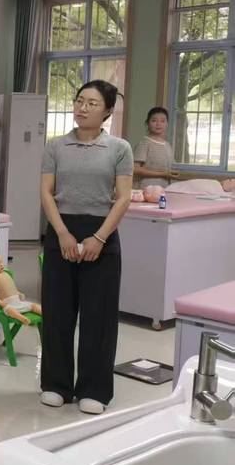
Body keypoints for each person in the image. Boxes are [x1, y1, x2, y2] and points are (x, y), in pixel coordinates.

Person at [39, 79, 133, 416]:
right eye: (79, 101)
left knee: (99, 316)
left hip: (102, 233)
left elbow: (123, 198)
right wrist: (62, 233)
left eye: (92, 103)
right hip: (61, 230)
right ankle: (56, 384)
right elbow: (46, 192)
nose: (82, 107)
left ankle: (94, 389)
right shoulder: (55, 146)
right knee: (57, 312)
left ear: (107, 111)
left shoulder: (119, 148)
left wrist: (99, 238)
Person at [132, 107, 179, 189]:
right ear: (147, 123)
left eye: (162, 121)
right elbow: (135, 169)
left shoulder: (167, 145)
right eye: (154, 121)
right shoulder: (144, 144)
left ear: (167, 124)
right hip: (146, 189)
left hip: (164, 189)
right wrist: (162, 174)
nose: (158, 124)